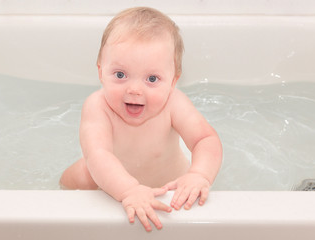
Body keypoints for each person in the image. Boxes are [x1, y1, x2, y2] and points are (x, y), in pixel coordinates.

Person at [60, 7, 222, 232]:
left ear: (173, 81)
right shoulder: (98, 106)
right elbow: (98, 154)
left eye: (152, 78)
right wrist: (129, 190)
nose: (134, 89)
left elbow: (205, 138)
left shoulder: (174, 102)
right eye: (120, 75)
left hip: (168, 184)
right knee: (75, 177)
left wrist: (199, 175)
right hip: (109, 180)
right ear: (100, 71)